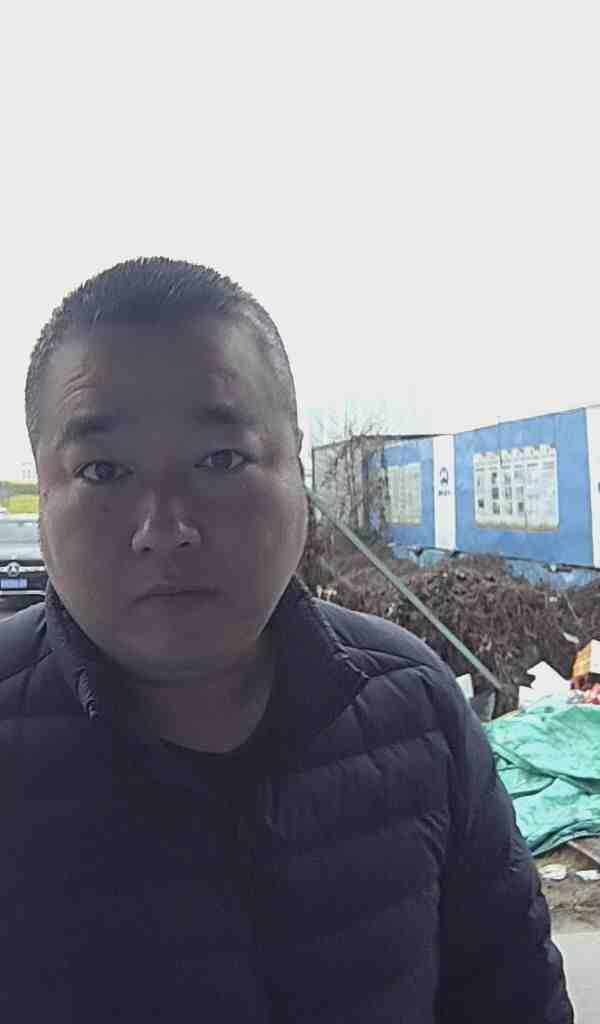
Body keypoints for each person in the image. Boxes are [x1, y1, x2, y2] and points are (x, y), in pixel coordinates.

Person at [0, 258, 572, 1023]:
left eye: (220, 460)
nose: (164, 528)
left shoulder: (418, 708)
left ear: (295, 467)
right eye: (103, 470)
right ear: (43, 490)